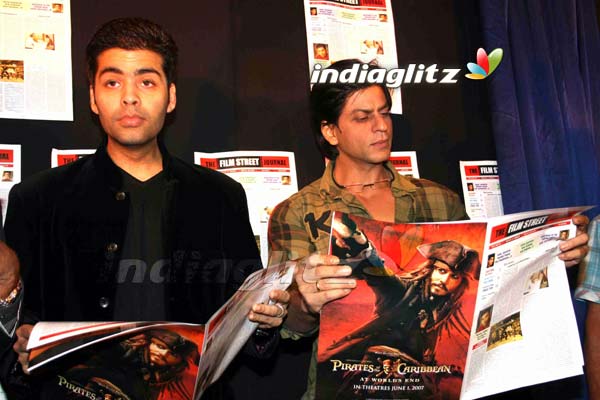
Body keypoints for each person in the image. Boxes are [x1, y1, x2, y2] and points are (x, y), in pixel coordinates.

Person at [0, 17, 289, 399]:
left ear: (171, 97)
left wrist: (264, 322)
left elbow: (248, 333)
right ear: (93, 97)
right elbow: (14, 335)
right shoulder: (38, 199)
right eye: (112, 82)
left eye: (147, 82)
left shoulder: (221, 196)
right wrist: (19, 340)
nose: (130, 97)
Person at [267, 59, 590, 399]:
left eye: (384, 113)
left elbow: (489, 289)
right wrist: (305, 304)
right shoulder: (296, 212)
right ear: (331, 132)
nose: (381, 127)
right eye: (363, 117)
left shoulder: (439, 201)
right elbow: (286, 323)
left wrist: (550, 252)